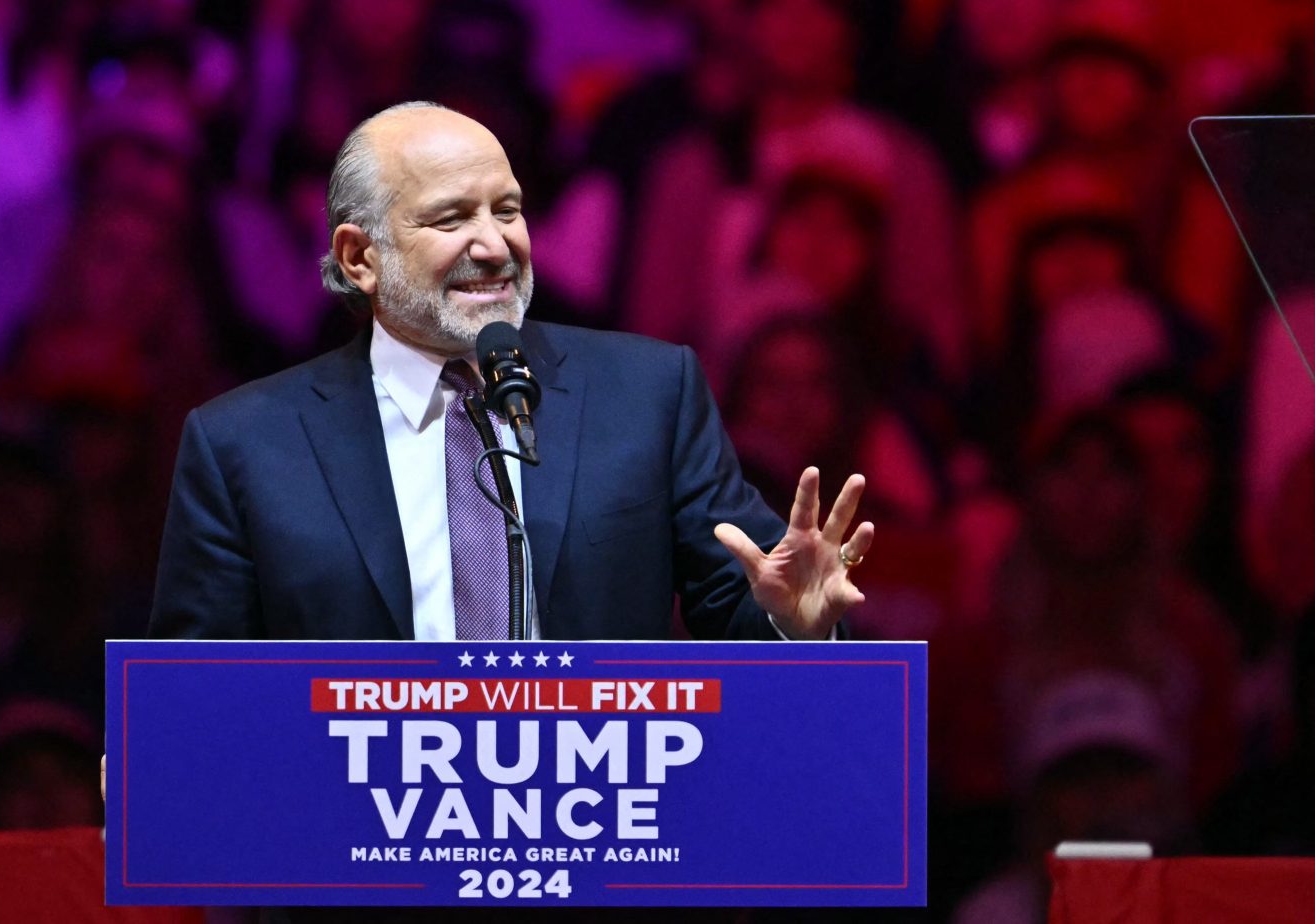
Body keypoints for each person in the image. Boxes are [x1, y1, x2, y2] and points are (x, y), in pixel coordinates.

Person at [147, 100, 875, 647]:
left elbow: (747, 612)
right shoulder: (242, 446)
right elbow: (201, 702)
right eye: (450, 218)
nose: (494, 244)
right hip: (350, 838)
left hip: (597, 831)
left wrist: (792, 623)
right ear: (359, 257)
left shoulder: (649, 396)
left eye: (508, 210)